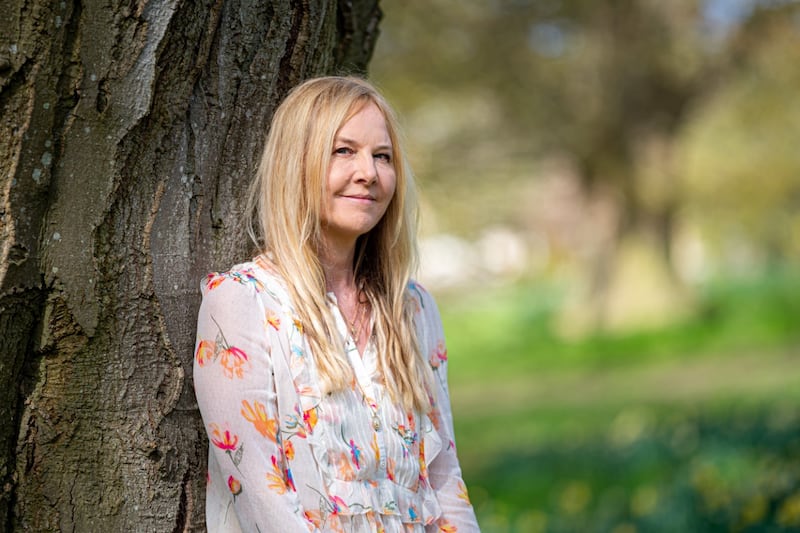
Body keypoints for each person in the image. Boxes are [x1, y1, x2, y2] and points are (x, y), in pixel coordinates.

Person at [193, 76, 480, 532]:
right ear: (296, 163)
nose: (368, 172)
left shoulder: (413, 309)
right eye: (343, 151)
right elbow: (258, 494)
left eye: (382, 156)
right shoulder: (244, 301)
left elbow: (444, 479)